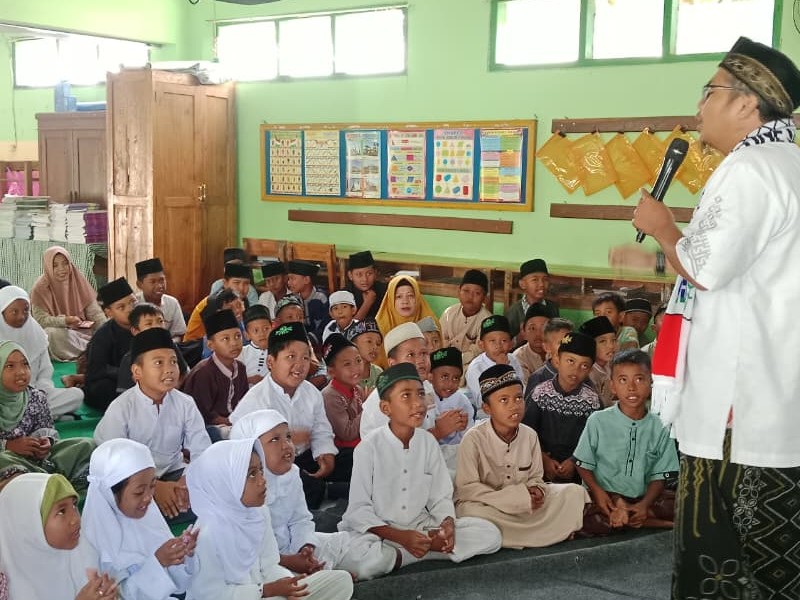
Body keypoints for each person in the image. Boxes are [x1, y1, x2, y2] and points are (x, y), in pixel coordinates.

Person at [628, 37, 800, 600]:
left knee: (722, 559)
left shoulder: (751, 168)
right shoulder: (789, 163)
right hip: (774, 391)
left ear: (748, 103)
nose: (699, 106)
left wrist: (662, 228)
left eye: (710, 91)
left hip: (738, 409)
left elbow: (705, 267)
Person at [338, 363, 502, 575]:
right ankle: (419, 551)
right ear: (386, 408)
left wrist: (447, 524)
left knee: (490, 534)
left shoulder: (428, 442)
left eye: (421, 394)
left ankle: (408, 554)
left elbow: (440, 496)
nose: (418, 403)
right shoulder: (368, 448)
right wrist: (401, 538)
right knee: (359, 557)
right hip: (381, 532)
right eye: (406, 396)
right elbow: (358, 510)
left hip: (421, 526)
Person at [185, 438, 354, 600]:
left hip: (266, 594)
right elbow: (209, 595)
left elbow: (270, 565)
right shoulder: (207, 534)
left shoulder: (259, 513)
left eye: (261, 470)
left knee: (341, 581)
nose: (262, 480)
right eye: (252, 474)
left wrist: (291, 586)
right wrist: (265, 591)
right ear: (226, 482)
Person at [231, 410, 381, 581]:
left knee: (350, 544)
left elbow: (300, 519)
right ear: (250, 450)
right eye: (274, 440)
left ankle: (326, 573)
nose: (286, 445)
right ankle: (326, 578)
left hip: (293, 546)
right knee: (285, 582)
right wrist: (288, 561)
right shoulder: (242, 490)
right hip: (263, 563)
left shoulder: (292, 473)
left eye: (288, 437)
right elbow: (247, 550)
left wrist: (305, 548)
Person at [454, 364, 588, 548]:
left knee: (574, 492)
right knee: (469, 511)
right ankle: (552, 532)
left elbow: (536, 477)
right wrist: (512, 499)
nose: (514, 406)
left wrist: (537, 490)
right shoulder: (473, 439)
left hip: (527, 505)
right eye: (504, 400)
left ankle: (518, 536)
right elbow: (467, 489)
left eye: (518, 398)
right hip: (491, 506)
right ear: (487, 408)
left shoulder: (529, 435)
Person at [93, 327, 212, 523]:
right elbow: (113, 461)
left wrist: (186, 483)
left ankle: (168, 506)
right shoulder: (122, 407)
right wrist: (155, 488)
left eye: (173, 361)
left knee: (210, 491)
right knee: (120, 503)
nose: (169, 369)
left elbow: (202, 450)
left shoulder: (185, 403)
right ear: (137, 372)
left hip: (173, 472)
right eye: (159, 363)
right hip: (134, 480)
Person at [229, 321, 337, 509]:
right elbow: (240, 448)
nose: (300, 365)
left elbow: (321, 429)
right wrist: (285, 441)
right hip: (274, 466)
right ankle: (328, 491)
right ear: (271, 362)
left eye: (305, 358)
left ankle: (327, 487)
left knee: (351, 458)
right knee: (292, 479)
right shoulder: (256, 400)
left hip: (306, 457)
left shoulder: (311, 392)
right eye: (291, 357)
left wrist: (325, 453)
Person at [574, 350, 678, 535]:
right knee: (579, 510)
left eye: (639, 379)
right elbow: (582, 464)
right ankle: (651, 522)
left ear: (651, 384)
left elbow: (660, 475)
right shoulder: (598, 421)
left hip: (641, 497)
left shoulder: (661, 426)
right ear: (613, 386)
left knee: (680, 504)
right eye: (623, 380)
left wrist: (644, 504)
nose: (631, 387)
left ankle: (633, 516)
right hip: (604, 495)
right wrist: (599, 493)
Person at [82, 438, 198, 599]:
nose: (149, 498)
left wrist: (182, 555)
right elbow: (119, 595)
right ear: (109, 494)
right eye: (139, 492)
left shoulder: (149, 520)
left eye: (152, 486)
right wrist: (158, 563)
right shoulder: (93, 545)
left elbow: (177, 586)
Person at [0, 473, 118, 600]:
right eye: (61, 511)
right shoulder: (6, 586)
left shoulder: (81, 552)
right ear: (29, 524)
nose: (75, 519)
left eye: (74, 505)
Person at [0, 342, 94, 496]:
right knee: (3, 460)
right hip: (7, 463)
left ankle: (42, 485)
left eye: (25, 364)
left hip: (38, 461)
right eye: (10, 366)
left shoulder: (36, 396)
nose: (21, 372)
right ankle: (46, 485)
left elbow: (46, 428)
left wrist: (45, 442)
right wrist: (8, 446)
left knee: (86, 445)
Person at [359, 322, 463, 446]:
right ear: (393, 364)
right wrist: (438, 431)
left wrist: (451, 422)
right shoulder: (384, 399)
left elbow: (427, 426)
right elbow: (399, 448)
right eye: (410, 355)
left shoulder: (425, 387)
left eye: (424, 353)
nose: (420, 361)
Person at [523, 331, 600, 483]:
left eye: (584, 365)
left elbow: (594, 439)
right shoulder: (540, 393)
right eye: (570, 361)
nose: (576, 370)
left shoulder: (592, 400)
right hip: (539, 466)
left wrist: (574, 461)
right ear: (557, 360)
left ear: (590, 369)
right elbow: (526, 432)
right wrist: (543, 459)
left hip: (577, 470)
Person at [0, 286, 83, 417]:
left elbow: (45, 371)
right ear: (2, 311)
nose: (21, 316)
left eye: (26, 310)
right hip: (5, 399)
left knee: (76, 395)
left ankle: (26, 417)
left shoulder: (36, 334)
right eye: (14, 312)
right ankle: (40, 416)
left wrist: (39, 393)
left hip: (34, 394)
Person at [29, 245, 106, 362]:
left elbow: (95, 313)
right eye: (55, 265)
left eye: (65, 263)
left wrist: (106, 331)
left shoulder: (77, 279)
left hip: (82, 334)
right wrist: (65, 321)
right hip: (60, 334)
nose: (62, 269)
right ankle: (91, 350)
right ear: (48, 266)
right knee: (51, 334)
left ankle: (96, 348)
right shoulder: (40, 288)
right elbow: (41, 320)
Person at [182, 310, 248, 442]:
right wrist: (230, 421)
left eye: (237, 336)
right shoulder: (203, 372)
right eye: (225, 339)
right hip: (207, 428)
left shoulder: (240, 368)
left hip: (233, 422)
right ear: (210, 345)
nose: (234, 343)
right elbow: (204, 414)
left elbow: (244, 402)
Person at [84, 277, 137, 412]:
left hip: (144, 377)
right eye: (121, 307)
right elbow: (98, 370)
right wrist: (130, 374)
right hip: (114, 380)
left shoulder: (146, 326)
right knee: (103, 389)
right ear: (109, 313)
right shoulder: (103, 336)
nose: (130, 309)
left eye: (132, 302)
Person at [320, 334, 364, 489]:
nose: (356, 368)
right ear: (332, 372)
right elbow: (347, 433)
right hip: (343, 453)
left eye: (358, 360)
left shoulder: (357, 389)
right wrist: (370, 407)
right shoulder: (330, 395)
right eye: (347, 364)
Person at [116, 303, 189, 394]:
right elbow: (125, 392)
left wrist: (172, 388)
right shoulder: (129, 359)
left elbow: (184, 372)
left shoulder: (171, 348)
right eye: (149, 323)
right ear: (135, 331)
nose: (157, 327)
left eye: (160, 321)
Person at [464, 315, 525, 411]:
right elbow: (482, 402)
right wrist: (501, 369)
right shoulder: (476, 367)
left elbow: (521, 389)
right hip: (486, 412)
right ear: (481, 345)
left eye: (504, 341)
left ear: (511, 344)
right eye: (492, 341)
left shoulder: (513, 360)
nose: (498, 346)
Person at [439, 269, 492, 374]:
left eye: (477, 293)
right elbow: (440, 339)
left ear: (485, 298)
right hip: (445, 360)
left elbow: (478, 351)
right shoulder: (449, 313)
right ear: (458, 292)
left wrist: (456, 360)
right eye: (466, 291)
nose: (470, 297)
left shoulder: (487, 321)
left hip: (470, 364)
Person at [184, 262, 252, 342]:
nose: (241, 288)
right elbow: (218, 336)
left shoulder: (243, 301)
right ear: (225, 283)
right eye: (236, 283)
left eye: (246, 283)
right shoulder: (213, 303)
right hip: (197, 345)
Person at [505, 259, 559, 343]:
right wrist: (520, 337)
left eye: (545, 279)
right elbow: (506, 343)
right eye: (535, 280)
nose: (541, 284)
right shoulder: (514, 311)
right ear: (522, 284)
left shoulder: (552, 308)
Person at [134, 257, 187, 342]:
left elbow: (179, 334)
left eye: (162, 280)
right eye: (153, 282)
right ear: (140, 284)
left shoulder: (172, 303)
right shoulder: (134, 304)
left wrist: (166, 344)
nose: (159, 286)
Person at [428, 347, 472, 446]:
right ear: (430, 377)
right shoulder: (424, 396)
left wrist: (463, 427)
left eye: (456, 378)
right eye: (444, 376)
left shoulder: (461, 400)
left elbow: (469, 432)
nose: (450, 383)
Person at [375, 275, 439, 341]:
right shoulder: (378, 327)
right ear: (390, 300)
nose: (405, 301)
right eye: (399, 297)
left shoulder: (432, 325)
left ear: (417, 298)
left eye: (410, 296)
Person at [578, 316, 618, 408]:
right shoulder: (587, 372)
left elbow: (607, 402)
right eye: (603, 341)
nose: (611, 346)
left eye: (613, 340)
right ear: (589, 345)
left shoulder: (608, 366)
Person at [525, 317, 574, 393]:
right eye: (561, 343)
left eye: (570, 342)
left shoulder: (580, 375)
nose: (568, 347)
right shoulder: (538, 379)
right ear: (546, 347)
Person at [286, 260, 329, 346]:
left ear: (306, 280)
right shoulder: (291, 299)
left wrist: (310, 339)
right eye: (288, 279)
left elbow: (325, 325)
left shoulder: (321, 298)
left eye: (293, 278)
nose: (289, 282)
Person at [345, 250, 387, 321]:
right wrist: (367, 303)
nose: (365, 279)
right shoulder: (344, 295)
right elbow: (349, 327)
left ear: (375, 273)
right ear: (350, 275)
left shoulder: (385, 290)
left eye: (369, 273)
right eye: (359, 274)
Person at [344, 319, 383, 395]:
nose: (375, 347)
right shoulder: (344, 375)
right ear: (353, 344)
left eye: (378, 344)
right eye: (369, 341)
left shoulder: (378, 372)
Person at [512, 304, 549, 381]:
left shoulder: (558, 353)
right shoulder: (518, 358)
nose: (538, 334)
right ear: (523, 332)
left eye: (544, 328)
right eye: (532, 328)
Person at [239, 304, 272, 387]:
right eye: (256, 330)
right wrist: (249, 379)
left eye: (266, 329)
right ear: (247, 335)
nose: (262, 334)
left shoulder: (279, 350)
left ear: (272, 328)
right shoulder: (242, 353)